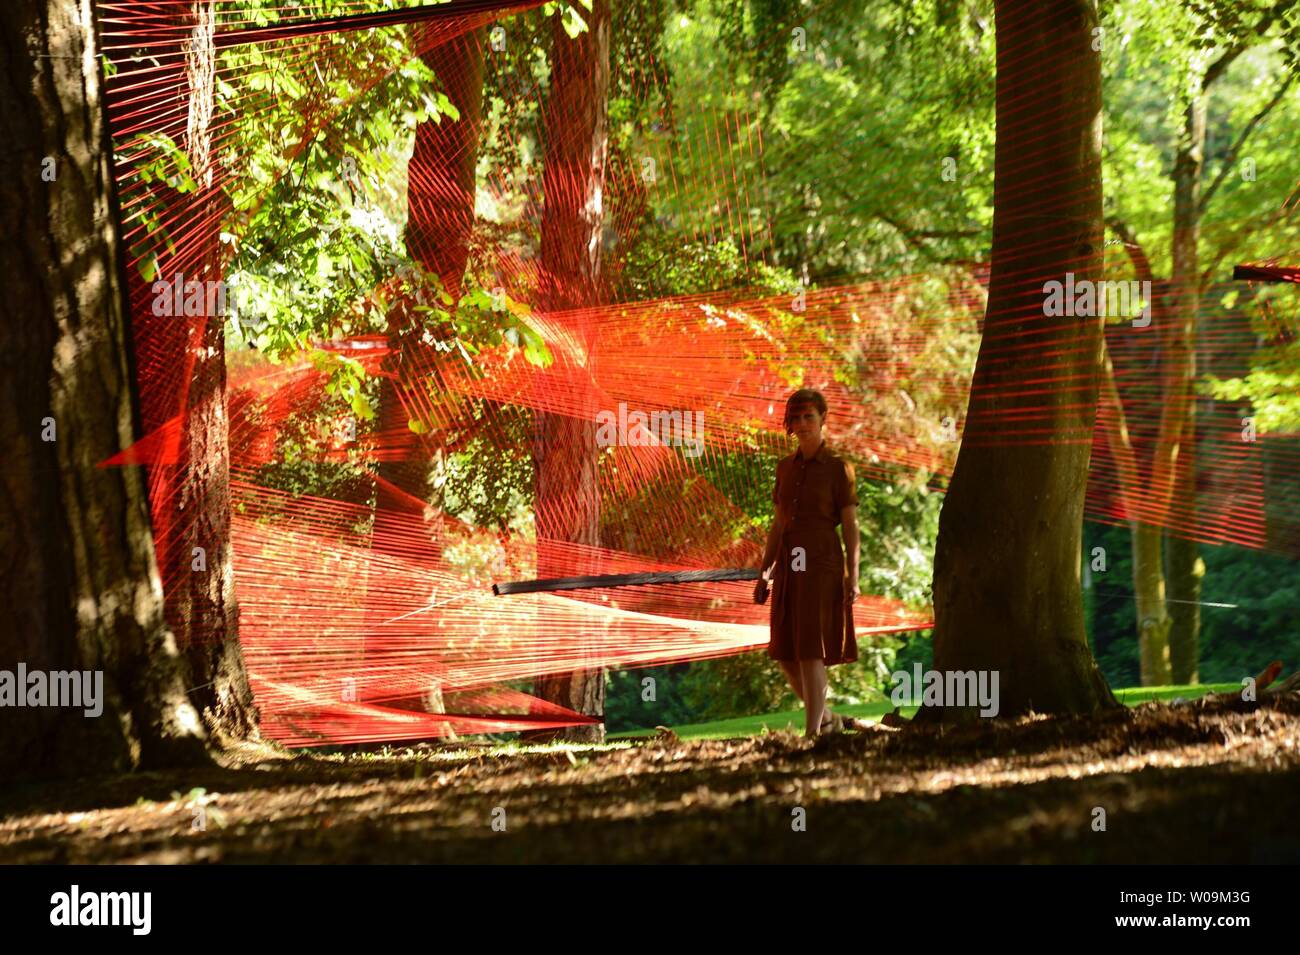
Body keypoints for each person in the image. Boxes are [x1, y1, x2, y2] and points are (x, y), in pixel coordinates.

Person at [754, 389, 862, 738]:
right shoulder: (785, 467)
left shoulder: (839, 469)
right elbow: (777, 523)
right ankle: (828, 718)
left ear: (822, 419)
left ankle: (812, 734)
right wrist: (765, 572)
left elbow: (850, 526)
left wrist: (853, 576)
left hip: (822, 563)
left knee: (811, 650)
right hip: (789, 565)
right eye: (795, 418)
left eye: (808, 417)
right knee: (786, 652)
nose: (801, 424)